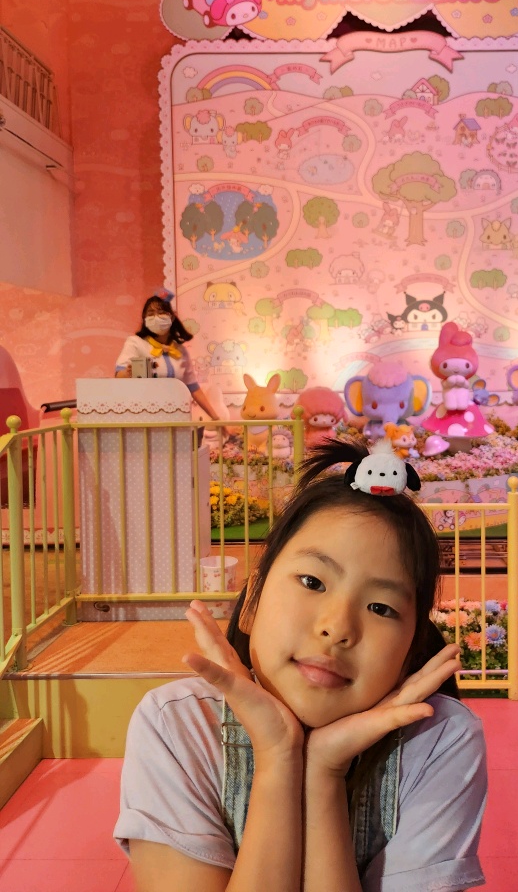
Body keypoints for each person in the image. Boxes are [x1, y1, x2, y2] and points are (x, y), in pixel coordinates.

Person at [114, 438, 488, 891]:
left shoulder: (437, 742)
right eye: (312, 581)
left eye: (381, 607)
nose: (337, 628)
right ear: (251, 602)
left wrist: (324, 772)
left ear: (410, 652)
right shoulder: (179, 727)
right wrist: (277, 755)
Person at [115, 292, 220, 421]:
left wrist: (217, 419)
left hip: (177, 418)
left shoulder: (180, 351)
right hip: (144, 417)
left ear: (172, 317)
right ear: (144, 319)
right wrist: (127, 373)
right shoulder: (135, 343)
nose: (156, 317)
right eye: (150, 314)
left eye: (161, 313)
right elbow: (119, 374)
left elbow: (194, 389)